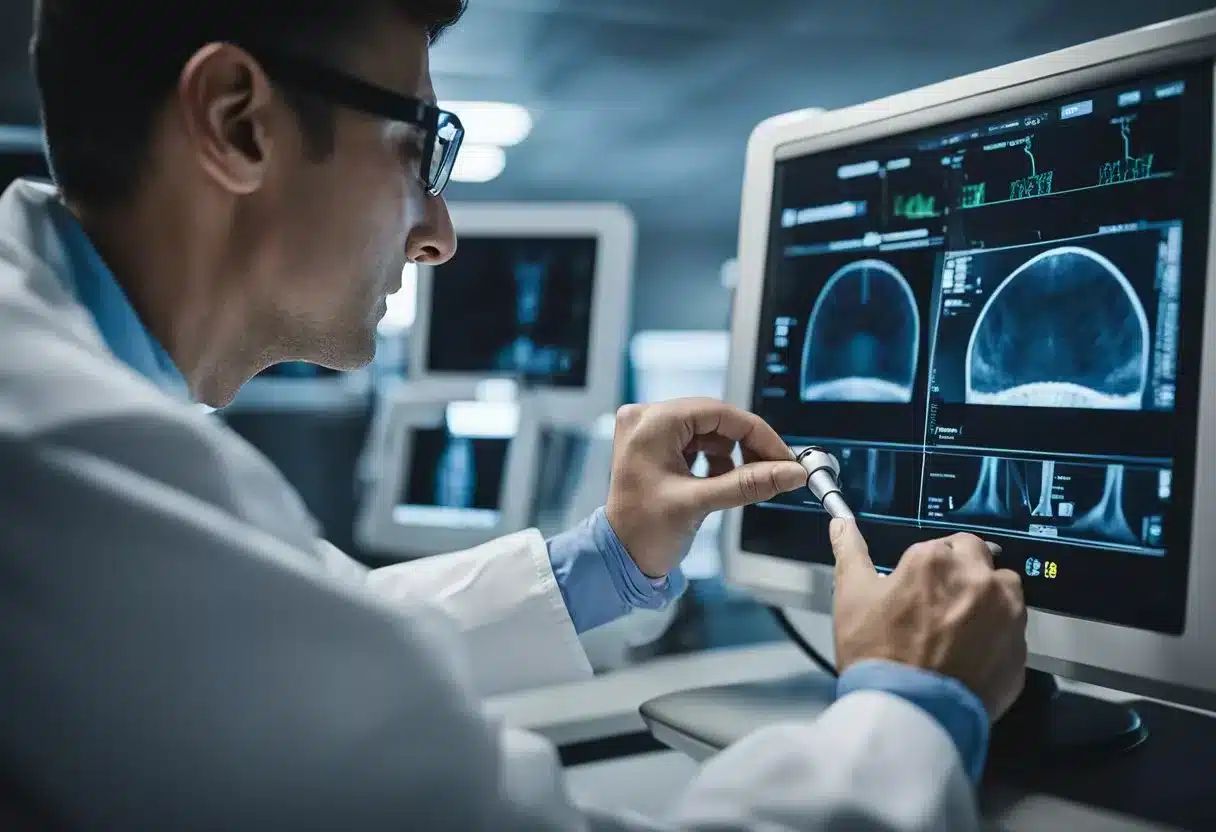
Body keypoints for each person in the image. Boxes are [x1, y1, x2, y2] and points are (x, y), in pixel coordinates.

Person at [0, 0, 1027, 828]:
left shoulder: (67, 427)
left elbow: (261, 657)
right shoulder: (56, 461)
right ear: (237, 122)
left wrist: (605, 562)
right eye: (420, 148)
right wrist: (909, 706)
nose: (439, 234)